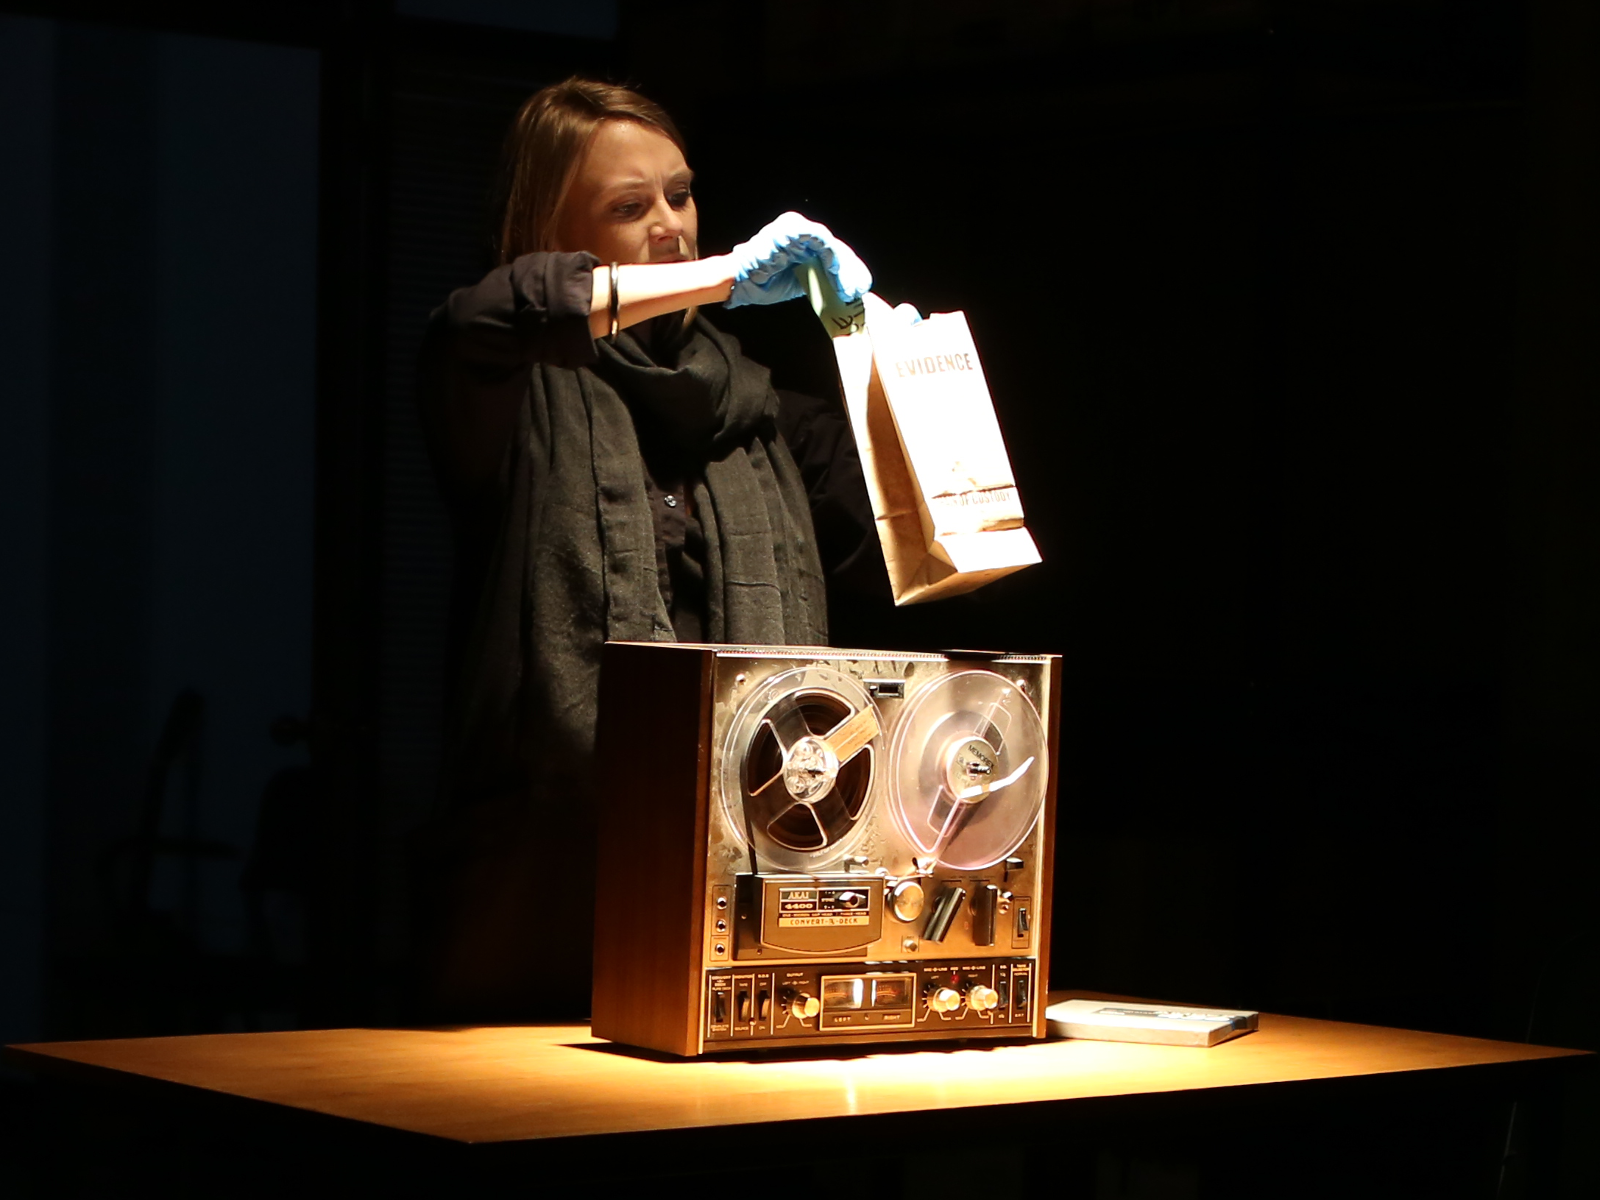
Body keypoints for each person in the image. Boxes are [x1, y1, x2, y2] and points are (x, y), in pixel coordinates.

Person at [411, 78, 881, 1018]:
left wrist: (878, 346)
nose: (672, 225)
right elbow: (494, 314)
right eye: (630, 208)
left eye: (681, 194)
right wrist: (727, 277)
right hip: (546, 890)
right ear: (553, 230)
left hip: (746, 876)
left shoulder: (764, 416)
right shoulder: (509, 383)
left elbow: (935, 552)